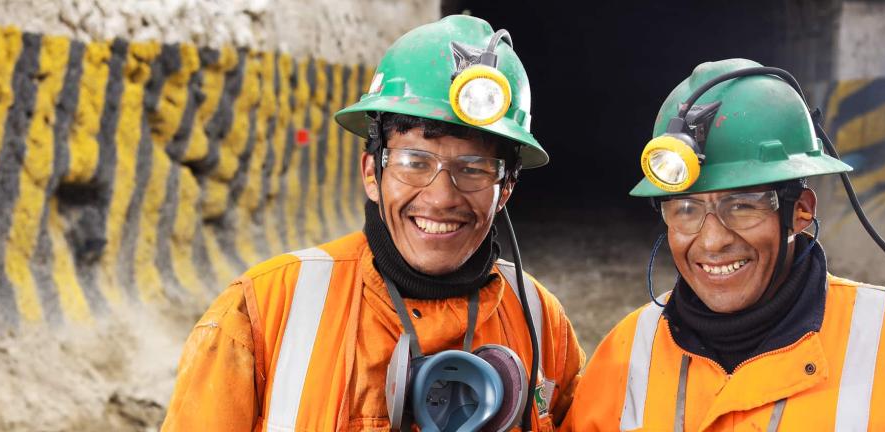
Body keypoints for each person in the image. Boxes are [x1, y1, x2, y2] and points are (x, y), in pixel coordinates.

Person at [162, 15, 584, 431]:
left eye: (474, 168)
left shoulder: (542, 322)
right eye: (414, 162)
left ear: (506, 187)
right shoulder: (264, 312)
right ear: (371, 173)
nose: (441, 197)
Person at [564, 58, 885, 431]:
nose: (711, 239)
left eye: (743, 205)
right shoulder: (627, 354)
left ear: (801, 210)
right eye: (685, 208)